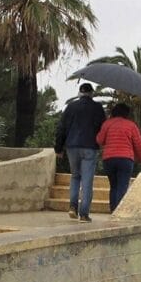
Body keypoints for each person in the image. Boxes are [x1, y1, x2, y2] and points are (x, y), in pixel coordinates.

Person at [54, 82, 106, 222]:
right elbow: (103, 127)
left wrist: (58, 148)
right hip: (90, 146)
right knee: (87, 181)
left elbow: (61, 128)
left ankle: (72, 207)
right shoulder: (98, 108)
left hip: (72, 146)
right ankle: (84, 214)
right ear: (91, 93)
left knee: (75, 176)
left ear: (79, 93)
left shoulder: (71, 107)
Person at [96, 103, 141, 212]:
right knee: (122, 186)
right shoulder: (131, 125)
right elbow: (139, 144)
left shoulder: (107, 124)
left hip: (109, 159)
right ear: (127, 113)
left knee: (113, 186)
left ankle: (113, 210)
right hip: (125, 159)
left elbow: (99, 140)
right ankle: (119, 212)